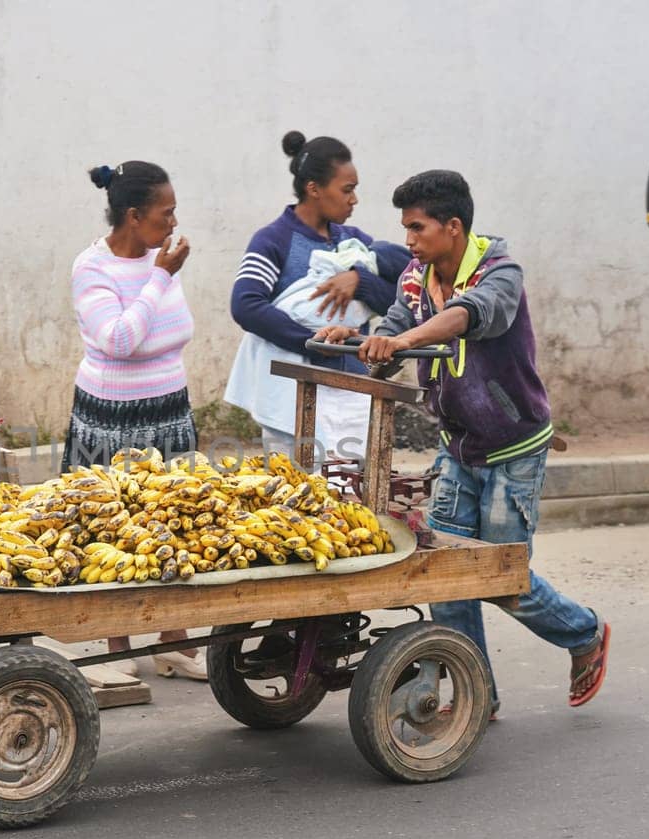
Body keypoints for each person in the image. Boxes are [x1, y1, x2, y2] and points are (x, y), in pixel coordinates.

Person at [315, 170, 611, 712]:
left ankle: (584, 633)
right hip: (457, 447)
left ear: (453, 227)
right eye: (405, 229)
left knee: (501, 580)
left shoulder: (500, 271)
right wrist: (361, 338)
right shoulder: (414, 276)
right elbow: (398, 327)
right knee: (445, 575)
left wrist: (402, 337)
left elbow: (469, 316)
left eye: (417, 228)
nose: (408, 240)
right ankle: (477, 698)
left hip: (514, 449)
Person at [63, 161, 205, 681]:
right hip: (111, 416)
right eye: (164, 214)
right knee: (111, 528)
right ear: (133, 215)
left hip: (169, 408)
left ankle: (175, 639)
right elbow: (119, 341)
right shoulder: (92, 268)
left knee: (176, 522)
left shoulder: (158, 259)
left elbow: (174, 329)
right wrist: (161, 278)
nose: (173, 223)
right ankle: (112, 644)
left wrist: (158, 277)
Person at [225, 131, 410, 466]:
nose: (354, 200)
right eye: (347, 189)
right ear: (313, 189)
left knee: (352, 494)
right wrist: (312, 342)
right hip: (293, 391)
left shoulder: (354, 242)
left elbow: (400, 299)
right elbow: (247, 305)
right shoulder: (273, 240)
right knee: (297, 494)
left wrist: (360, 281)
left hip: (352, 385)